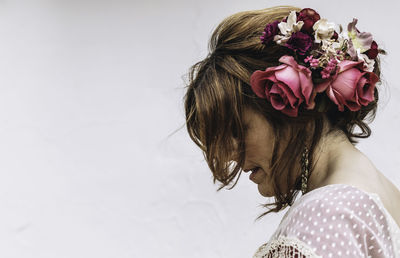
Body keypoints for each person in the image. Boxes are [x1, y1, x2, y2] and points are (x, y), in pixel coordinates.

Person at [183, 5, 400, 258]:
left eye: (237, 130)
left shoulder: (325, 215)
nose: (230, 153)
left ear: (291, 104)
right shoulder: (382, 196)